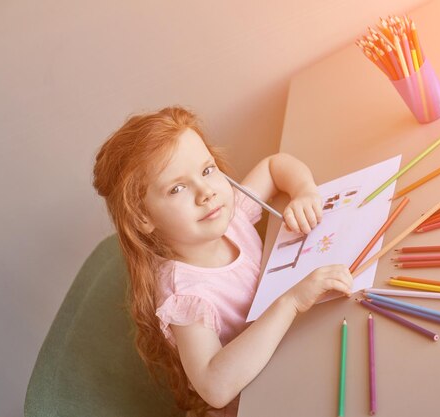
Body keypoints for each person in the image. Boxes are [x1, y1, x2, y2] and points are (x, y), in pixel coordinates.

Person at [93, 106, 353, 416]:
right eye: (177, 188)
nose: (206, 193)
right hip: (258, 394)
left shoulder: (230, 216)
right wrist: (291, 302)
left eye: (206, 170)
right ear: (143, 217)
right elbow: (215, 387)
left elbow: (274, 167)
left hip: (291, 346)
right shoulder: (185, 297)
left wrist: (305, 191)